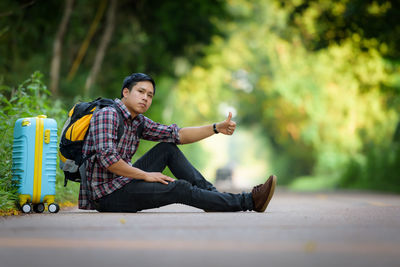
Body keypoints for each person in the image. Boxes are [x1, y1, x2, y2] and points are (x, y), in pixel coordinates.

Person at [79, 73, 277, 212]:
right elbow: (109, 161)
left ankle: (213, 199)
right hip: (107, 196)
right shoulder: (108, 115)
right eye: (140, 92)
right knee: (179, 188)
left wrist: (216, 128)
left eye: (149, 95)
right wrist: (146, 175)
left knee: (167, 148)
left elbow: (177, 135)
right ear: (125, 93)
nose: (145, 98)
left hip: (121, 183)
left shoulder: (137, 121)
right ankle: (249, 201)